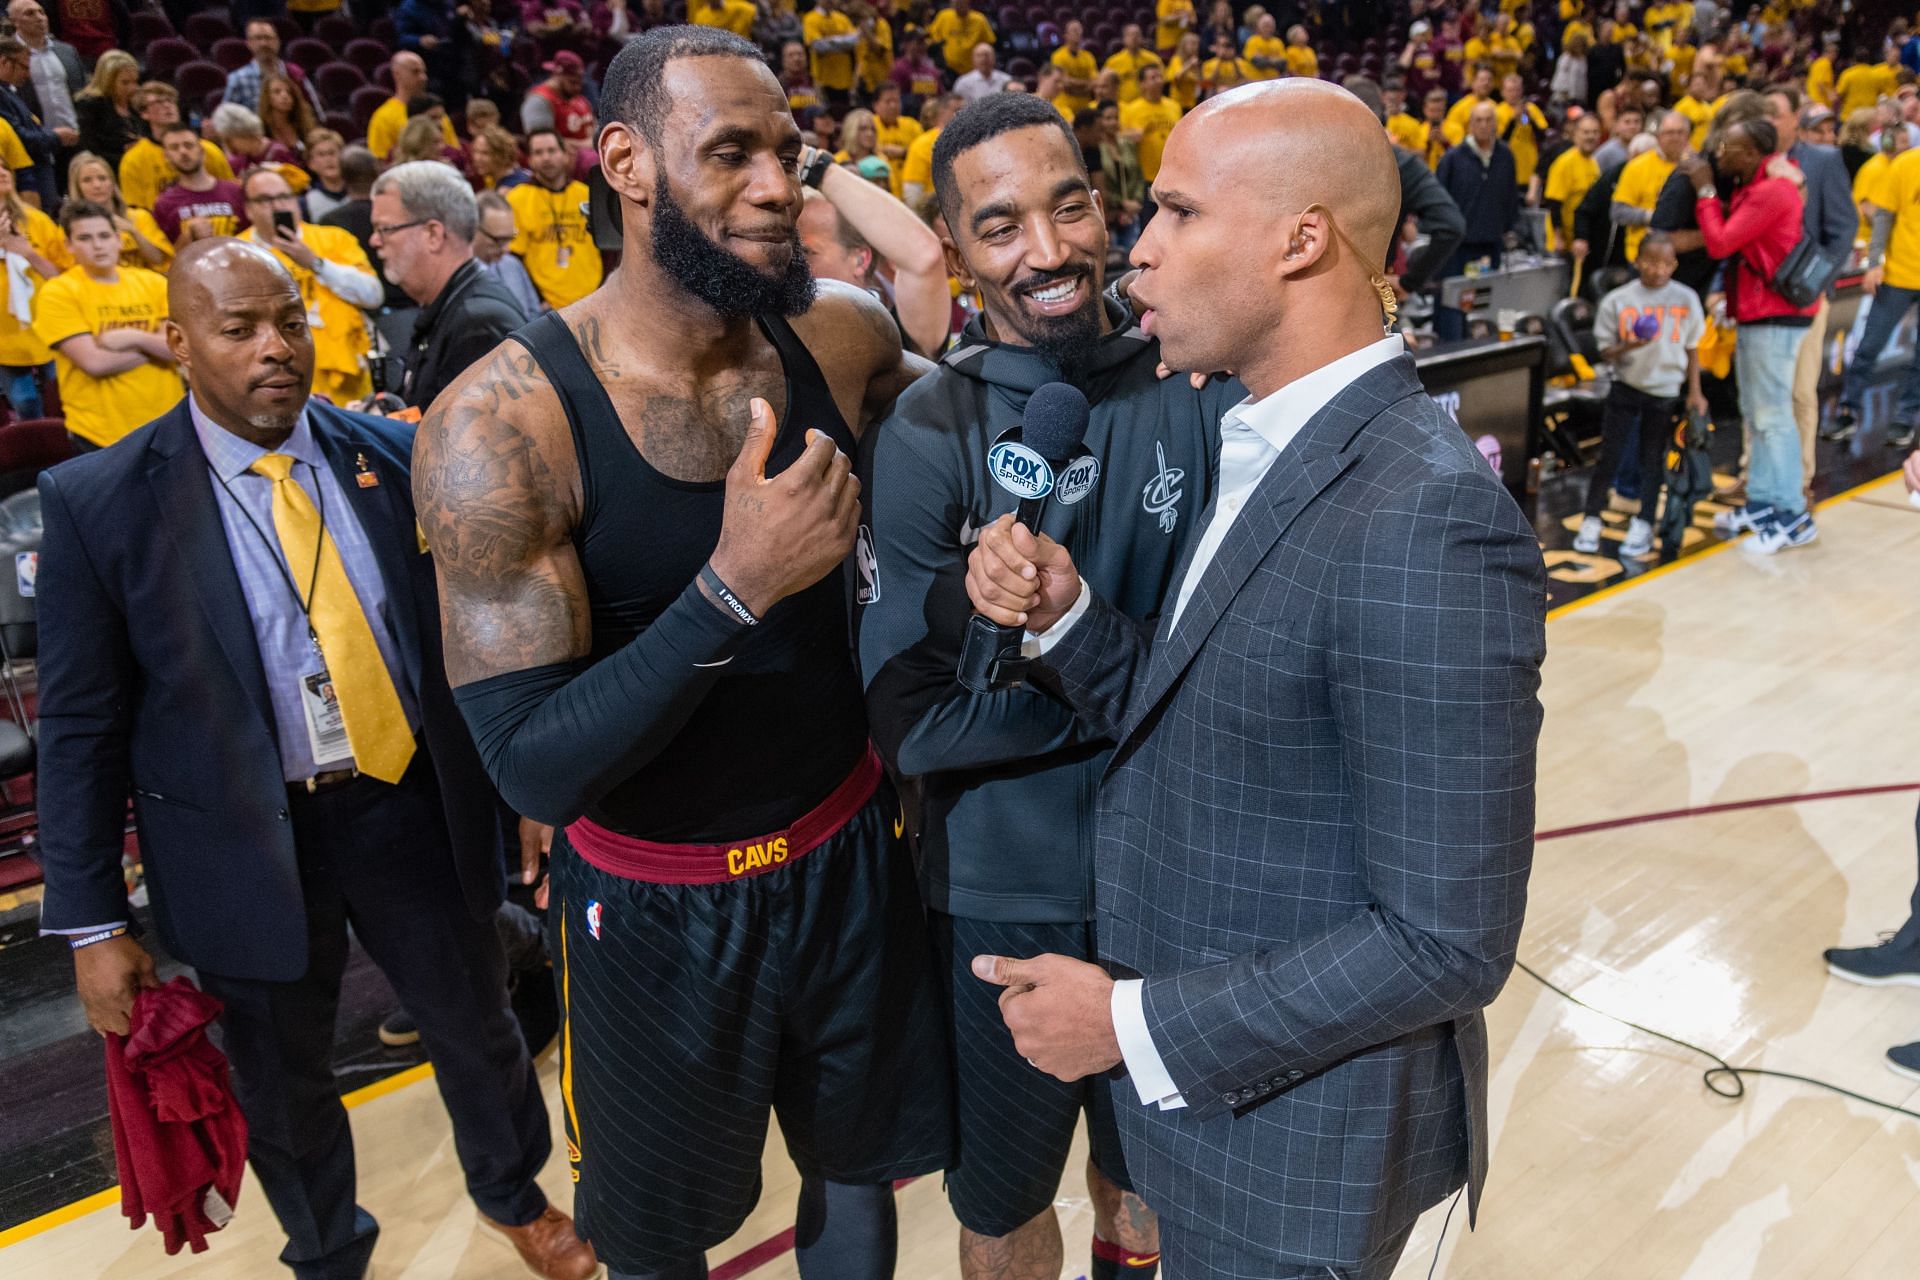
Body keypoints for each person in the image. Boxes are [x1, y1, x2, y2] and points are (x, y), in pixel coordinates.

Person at [961, 77, 1545, 1280]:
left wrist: (1128, 1021)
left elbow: (1447, 940)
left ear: (1302, 237)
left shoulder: (1427, 515)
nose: (1137, 251)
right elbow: (1218, 729)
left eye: (1176, 212)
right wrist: (1073, 622)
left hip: (1300, 1158)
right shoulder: (1263, 432)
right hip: (1226, 1119)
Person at [411, 25, 952, 1280]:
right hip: (651, 903)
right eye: (732, 153)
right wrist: (733, 588)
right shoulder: (501, 422)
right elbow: (535, 770)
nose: (779, 185)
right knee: (656, 1240)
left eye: (790, 152)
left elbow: (989, 434)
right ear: (626, 162)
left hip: (847, 847)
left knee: (855, 1170)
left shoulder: (845, 336)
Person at [34, 236, 599, 1280]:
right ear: (176, 342)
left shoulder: (385, 452)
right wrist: (92, 918)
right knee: (282, 1076)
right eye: (238, 328)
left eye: (288, 321)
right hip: (240, 832)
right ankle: (329, 1247)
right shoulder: (99, 503)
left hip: (407, 800)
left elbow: (460, 638)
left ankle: (518, 1197)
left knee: (476, 1026)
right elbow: (77, 726)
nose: (274, 348)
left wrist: (515, 782)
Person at [859, 89, 1241, 1280]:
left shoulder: (1203, 383)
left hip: (1180, 887)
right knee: (1004, 1207)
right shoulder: (930, 427)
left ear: (1105, 204)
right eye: (1003, 224)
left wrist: (1062, 644)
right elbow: (915, 728)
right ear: (959, 250)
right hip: (999, 898)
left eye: (1068, 205)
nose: (1050, 249)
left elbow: (1251, 668)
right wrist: (1123, 688)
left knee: (1151, 1193)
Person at [1681, 117, 1821, 552]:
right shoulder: (1761, 186)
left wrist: (1704, 190)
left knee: (1773, 416)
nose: (1720, 153)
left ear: (1752, 153)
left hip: (1775, 315)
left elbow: (1721, 243)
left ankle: (1792, 516)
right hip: (1762, 313)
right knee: (1758, 414)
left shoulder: (1770, 192)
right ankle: (1763, 502)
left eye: (1729, 147)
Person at [1572, 233, 1708, 557]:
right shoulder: (1619, 300)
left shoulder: (1686, 299)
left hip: (1664, 391)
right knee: (1610, 456)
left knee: (1652, 459)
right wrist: (1630, 345)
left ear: (1674, 264)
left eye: (1665, 263)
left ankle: (1645, 522)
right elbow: (1605, 352)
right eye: (1651, 261)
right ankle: (1591, 517)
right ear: (1637, 260)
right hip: (1625, 387)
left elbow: (1692, 350)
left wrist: (1695, 392)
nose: (1658, 269)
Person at [372, 161, 528, 409]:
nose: (374, 241)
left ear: (433, 234)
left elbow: (468, 444)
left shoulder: (479, 324)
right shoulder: (451, 306)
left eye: (384, 229)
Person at [32, 200, 179, 449]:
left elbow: (180, 349)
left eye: (104, 236)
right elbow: (95, 363)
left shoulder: (153, 283)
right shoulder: (58, 292)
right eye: (85, 238)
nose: (98, 245)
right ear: (69, 245)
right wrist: (156, 348)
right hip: (100, 434)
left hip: (169, 424)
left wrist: (135, 337)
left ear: (119, 240)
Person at [242, 167, 383, 407]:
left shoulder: (333, 238)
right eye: (266, 200)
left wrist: (315, 264)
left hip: (347, 376)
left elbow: (373, 295)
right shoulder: (237, 251)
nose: (278, 206)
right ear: (248, 209)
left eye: (284, 197)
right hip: (275, 378)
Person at [795, 145, 948, 357]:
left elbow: (924, 256)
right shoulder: (776, 327)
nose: (789, 264)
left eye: (804, 253)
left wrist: (811, 164)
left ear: (860, 260)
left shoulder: (892, 335)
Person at [1839, 128, 1920, 450]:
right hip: (1898, 274)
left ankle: (1904, 418)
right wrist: (1874, 262)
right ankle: (1848, 409)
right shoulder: (1907, 164)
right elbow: (1884, 217)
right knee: (1868, 347)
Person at [1435, 99, 1519, 340]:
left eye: (1488, 120)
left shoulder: (1505, 156)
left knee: (1485, 302)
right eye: (1478, 120)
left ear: (1496, 124)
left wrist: (1510, 229)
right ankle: (1452, 350)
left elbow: (1511, 197)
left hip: (1491, 243)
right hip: (1457, 246)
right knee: (1454, 304)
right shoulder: (1453, 158)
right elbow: (1440, 202)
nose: (1483, 125)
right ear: (1470, 125)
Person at [504, 127, 601, 309]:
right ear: (530, 160)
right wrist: (535, 299)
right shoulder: (517, 199)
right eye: (538, 153)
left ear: (565, 155)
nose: (546, 157)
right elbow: (514, 258)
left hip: (594, 300)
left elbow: (607, 248)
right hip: (547, 309)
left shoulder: (587, 194)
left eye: (552, 150)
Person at [0, 157, 64, 419]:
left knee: (59, 402)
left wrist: (28, 253)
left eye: (4, 166)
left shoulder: (37, 221)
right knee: (26, 404)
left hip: (47, 329)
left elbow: (62, 276)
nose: (1, 172)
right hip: (5, 337)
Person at [119, 81, 234, 214]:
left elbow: (229, 192)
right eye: (159, 102)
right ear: (144, 113)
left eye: (170, 101)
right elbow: (136, 212)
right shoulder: (134, 159)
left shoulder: (208, 150)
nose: (167, 105)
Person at [69, 150, 170, 271]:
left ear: (112, 184)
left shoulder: (139, 217)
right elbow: (72, 270)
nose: (97, 185)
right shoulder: (71, 226)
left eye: (102, 178)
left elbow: (158, 260)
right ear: (78, 188)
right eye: (87, 180)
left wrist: (134, 232)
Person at [1612, 107, 1689, 259]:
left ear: (1688, 136)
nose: (1675, 138)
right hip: (1642, 253)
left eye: (1680, 132)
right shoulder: (1637, 167)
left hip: (1681, 253)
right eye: (1669, 133)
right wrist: (1655, 217)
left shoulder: (1695, 167)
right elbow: (1618, 212)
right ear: (1659, 136)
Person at [6, 0, 80, 153]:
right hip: (36, 144)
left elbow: (82, 93)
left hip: (75, 139)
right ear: (14, 22)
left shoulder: (67, 52)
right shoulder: (7, 58)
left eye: (42, 12)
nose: (40, 18)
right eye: (30, 13)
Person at [222, 18, 324, 116]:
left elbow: (317, 114)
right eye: (258, 38)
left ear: (278, 42)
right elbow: (225, 122)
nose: (264, 43)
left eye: (268, 38)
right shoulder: (237, 79)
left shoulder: (295, 74)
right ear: (248, 44)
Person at [0, 36, 57, 207]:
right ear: (4, 62)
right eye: (24, 67)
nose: (28, 74)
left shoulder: (11, 92)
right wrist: (55, 137)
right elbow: (21, 137)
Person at [370, 52, 458, 161]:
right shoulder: (383, 117)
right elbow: (381, 161)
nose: (423, 77)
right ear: (397, 74)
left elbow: (454, 152)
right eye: (415, 72)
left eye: (424, 72)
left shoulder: (438, 113)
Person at [474, 188, 546, 317]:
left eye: (511, 238)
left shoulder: (512, 265)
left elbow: (533, 315)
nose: (507, 249)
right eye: (499, 240)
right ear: (473, 229)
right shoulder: (458, 274)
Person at [1545, 113, 1603, 254]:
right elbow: (1554, 203)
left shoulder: (1594, 163)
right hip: (1563, 242)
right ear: (1575, 134)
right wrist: (1558, 238)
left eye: (1595, 132)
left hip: (1580, 240)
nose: (1591, 136)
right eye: (1586, 132)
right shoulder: (1564, 163)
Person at [521, 51, 597, 158]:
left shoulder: (578, 98)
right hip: (564, 165)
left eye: (580, 83)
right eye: (572, 82)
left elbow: (596, 129)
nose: (578, 88)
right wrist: (586, 145)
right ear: (557, 75)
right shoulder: (539, 101)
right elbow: (542, 144)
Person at [72, 48, 138, 172]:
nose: (132, 88)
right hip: (106, 171)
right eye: (125, 83)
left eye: (135, 81)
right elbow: (89, 148)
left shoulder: (136, 103)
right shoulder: (90, 105)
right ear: (108, 81)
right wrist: (126, 157)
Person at [214, 103, 300, 181]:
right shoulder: (237, 161)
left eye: (229, 140)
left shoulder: (279, 153)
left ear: (242, 133)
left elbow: (298, 182)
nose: (229, 147)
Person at [801, 0, 858, 112]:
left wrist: (829, 41)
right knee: (826, 116)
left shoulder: (842, 18)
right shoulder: (810, 19)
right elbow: (819, 46)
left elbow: (854, 41)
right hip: (822, 79)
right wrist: (843, 42)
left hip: (845, 79)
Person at [258, 72, 318, 160]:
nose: (284, 95)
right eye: (277, 92)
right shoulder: (261, 129)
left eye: (289, 92)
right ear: (267, 97)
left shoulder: (304, 126)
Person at [930, 0, 995, 78]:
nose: (957, 5)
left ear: (967, 2)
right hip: (949, 69)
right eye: (954, 3)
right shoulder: (944, 16)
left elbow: (988, 43)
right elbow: (934, 38)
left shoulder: (979, 19)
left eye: (960, 2)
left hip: (972, 70)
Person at [1106, 24, 1165, 102]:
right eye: (1130, 35)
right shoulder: (1113, 62)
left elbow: (1162, 80)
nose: (1134, 37)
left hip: (1148, 104)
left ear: (1141, 38)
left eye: (1137, 34)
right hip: (1124, 105)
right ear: (1124, 39)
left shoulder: (1153, 59)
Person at [1052, 20, 1098, 116]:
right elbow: (1065, 83)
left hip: (1085, 106)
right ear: (1066, 35)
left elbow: (1095, 82)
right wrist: (1085, 84)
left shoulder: (1089, 56)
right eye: (1074, 30)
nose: (1078, 33)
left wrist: (1074, 84)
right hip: (1065, 105)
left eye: (1079, 30)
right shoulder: (1058, 56)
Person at [303, 128, 350, 221]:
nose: (328, 159)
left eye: (332, 153)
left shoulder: (359, 192)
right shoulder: (306, 202)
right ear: (310, 163)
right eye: (321, 154)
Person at [470, 123, 533, 192]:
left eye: (485, 153)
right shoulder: (523, 173)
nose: (477, 158)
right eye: (475, 151)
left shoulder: (506, 191)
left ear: (501, 154)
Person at [1241, 11, 1285, 80]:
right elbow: (1258, 63)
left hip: (1274, 81)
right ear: (1258, 26)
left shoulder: (1278, 42)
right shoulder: (1252, 41)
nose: (1268, 28)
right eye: (1265, 25)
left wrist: (1265, 58)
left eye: (1270, 25)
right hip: (1256, 81)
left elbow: (1283, 64)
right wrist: (1273, 60)